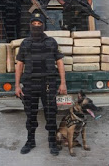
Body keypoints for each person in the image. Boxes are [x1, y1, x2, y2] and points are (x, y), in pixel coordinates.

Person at [15, 12, 67, 156]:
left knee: (50, 114)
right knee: (30, 115)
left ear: (43, 25)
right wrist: (17, 85)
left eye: (39, 24)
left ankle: (52, 142)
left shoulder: (51, 42)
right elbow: (19, 65)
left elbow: (60, 62)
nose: (37, 26)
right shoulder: (25, 43)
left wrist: (63, 83)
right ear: (30, 25)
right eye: (34, 24)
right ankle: (30, 141)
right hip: (30, 84)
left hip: (48, 83)